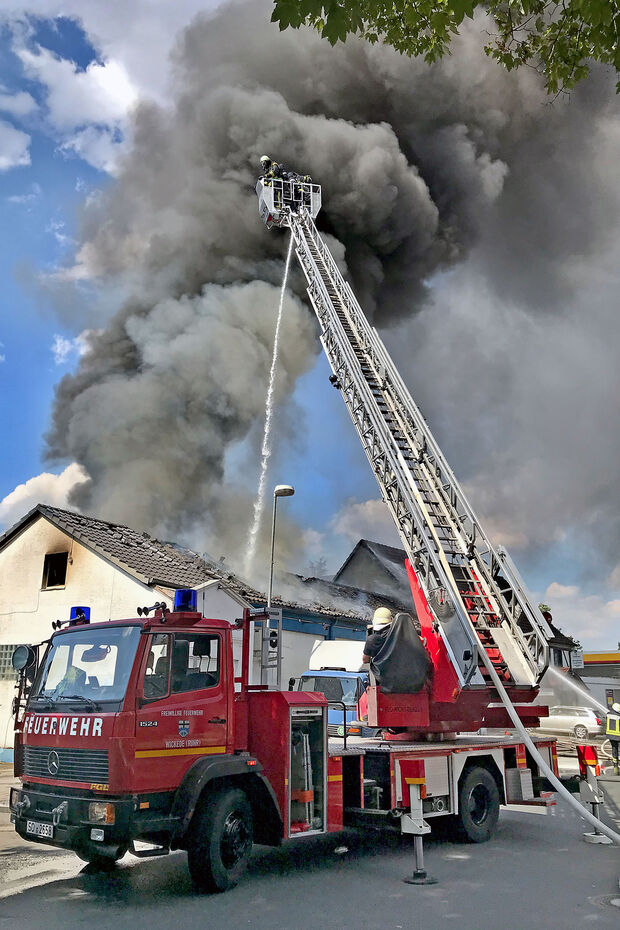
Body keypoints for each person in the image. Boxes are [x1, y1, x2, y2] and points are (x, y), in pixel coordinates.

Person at [606, 702, 620, 776]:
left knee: (614, 750)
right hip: (618, 736)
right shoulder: (619, 716)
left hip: (610, 736)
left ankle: (615, 767)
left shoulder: (608, 714)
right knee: (619, 750)